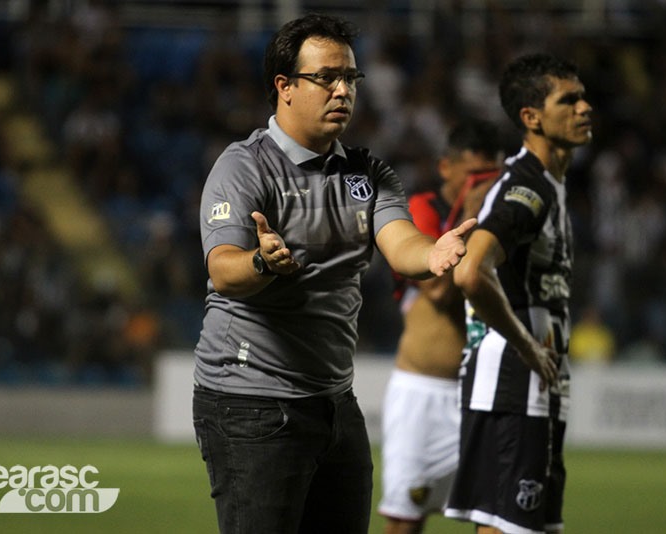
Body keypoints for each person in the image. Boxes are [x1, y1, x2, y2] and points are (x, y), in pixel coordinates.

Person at [192, 13, 476, 534]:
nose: (343, 90)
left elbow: (400, 243)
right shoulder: (243, 167)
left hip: (334, 403)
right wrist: (262, 262)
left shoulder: (367, 173)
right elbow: (223, 270)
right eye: (327, 78)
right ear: (285, 86)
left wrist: (433, 254)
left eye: (350, 78)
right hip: (251, 403)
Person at [444, 53, 593, 534]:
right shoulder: (524, 187)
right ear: (531, 118)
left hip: (535, 386)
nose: (584, 107)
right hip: (513, 383)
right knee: (508, 526)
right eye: (567, 100)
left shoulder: (550, 183)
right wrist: (528, 346)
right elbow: (470, 272)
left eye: (582, 96)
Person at [378, 117, 502, 534]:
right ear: (447, 168)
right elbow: (439, 293)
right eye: (476, 175)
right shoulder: (419, 213)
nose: (484, 186)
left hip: (487, 393)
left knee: (498, 519)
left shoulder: (506, 219)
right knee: (404, 521)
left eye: (493, 175)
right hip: (425, 395)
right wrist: (470, 215)